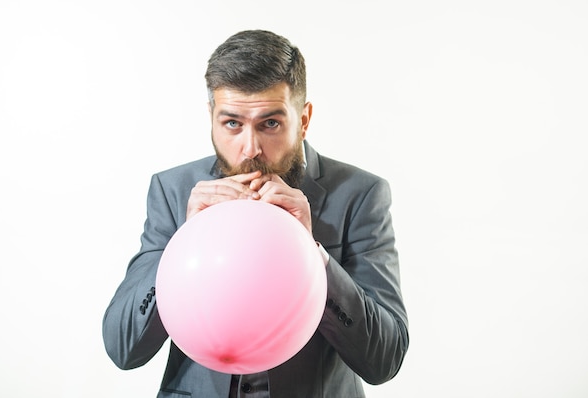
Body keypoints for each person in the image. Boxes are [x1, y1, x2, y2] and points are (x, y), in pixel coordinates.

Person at [103, 29, 409, 398]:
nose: (250, 149)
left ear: (304, 119)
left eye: (270, 124)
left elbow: (385, 360)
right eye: (232, 123)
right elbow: (123, 349)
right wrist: (182, 243)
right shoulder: (173, 190)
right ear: (212, 118)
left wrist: (313, 254)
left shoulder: (360, 195)